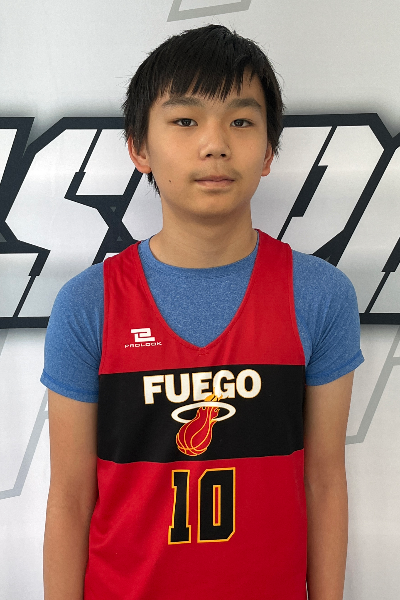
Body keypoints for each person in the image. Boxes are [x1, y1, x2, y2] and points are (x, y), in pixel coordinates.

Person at [42, 24, 364, 600]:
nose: (215, 144)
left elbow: (323, 482)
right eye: (186, 120)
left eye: (241, 121)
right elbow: (69, 497)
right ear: (139, 148)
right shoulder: (89, 304)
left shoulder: (318, 295)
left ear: (269, 152)